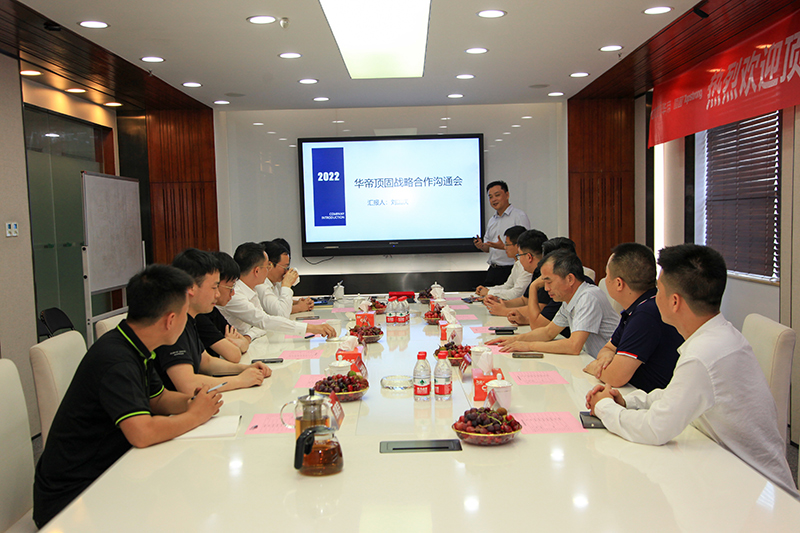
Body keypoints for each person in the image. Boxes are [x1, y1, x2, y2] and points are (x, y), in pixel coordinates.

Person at [586, 244, 797, 497]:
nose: (654, 297)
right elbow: (674, 395)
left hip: (756, 489)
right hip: (729, 472)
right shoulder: (717, 335)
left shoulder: (703, 353)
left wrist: (603, 407)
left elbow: (655, 429)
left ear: (674, 302)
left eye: (659, 291)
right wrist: (627, 402)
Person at [33, 265, 223, 527]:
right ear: (170, 320)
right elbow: (142, 433)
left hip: (111, 472)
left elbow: (158, 399)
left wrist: (192, 402)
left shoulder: (136, 344)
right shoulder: (116, 360)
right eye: (184, 313)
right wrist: (194, 416)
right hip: (75, 498)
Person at [154, 248, 271, 394]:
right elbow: (188, 384)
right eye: (214, 287)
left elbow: (206, 362)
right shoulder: (172, 323)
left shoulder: (188, 320)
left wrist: (245, 369)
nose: (217, 294)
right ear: (191, 288)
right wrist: (240, 380)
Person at [582, 243, 683, 392]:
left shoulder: (647, 314)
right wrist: (606, 358)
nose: (605, 279)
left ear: (619, 283)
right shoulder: (638, 308)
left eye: (607, 275)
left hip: (651, 398)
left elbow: (616, 377)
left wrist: (594, 367)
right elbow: (608, 348)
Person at [490, 249, 618, 357]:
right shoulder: (569, 299)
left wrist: (529, 346)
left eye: (549, 282)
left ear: (570, 279)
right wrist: (514, 339)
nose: (546, 288)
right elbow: (548, 332)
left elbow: (574, 346)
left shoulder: (588, 297)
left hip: (611, 366)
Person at [220, 242, 336, 339]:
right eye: (267, 267)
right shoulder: (234, 294)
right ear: (257, 271)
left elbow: (260, 326)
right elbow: (266, 321)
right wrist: (311, 328)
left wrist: (248, 337)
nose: (268, 271)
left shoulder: (252, 289)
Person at [484, 235, 573, 329]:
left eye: (519, 255)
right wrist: (501, 303)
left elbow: (540, 312)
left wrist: (504, 311)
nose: (547, 288)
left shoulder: (563, 289)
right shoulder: (540, 274)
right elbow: (525, 300)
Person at [195, 251, 250, 362]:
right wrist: (234, 344)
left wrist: (236, 343)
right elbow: (233, 355)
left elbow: (244, 343)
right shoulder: (199, 317)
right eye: (230, 287)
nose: (233, 293)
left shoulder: (213, 311)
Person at [473, 180, 530, 286]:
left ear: (507, 195)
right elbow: (487, 248)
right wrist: (481, 246)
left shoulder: (519, 216)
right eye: (490, 197)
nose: (493, 199)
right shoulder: (492, 220)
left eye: (497, 195)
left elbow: (526, 246)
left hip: (511, 269)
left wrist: (504, 247)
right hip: (493, 270)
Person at [257, 241, 313, 317]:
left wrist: (297, 302)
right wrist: (286, 285)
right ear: (269, 265)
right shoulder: (260, 285)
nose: (286, 271)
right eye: (285, 267)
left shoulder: (274, 282)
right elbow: (281, 313)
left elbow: (279, 301)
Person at [474, 225, 532, 300]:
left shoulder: (526, 266)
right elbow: (507, 286)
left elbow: (516, 294)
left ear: (518, 246)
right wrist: (486, 289)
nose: (504, 247)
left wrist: (489, 292)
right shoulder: (517, 263)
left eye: (507, 244)